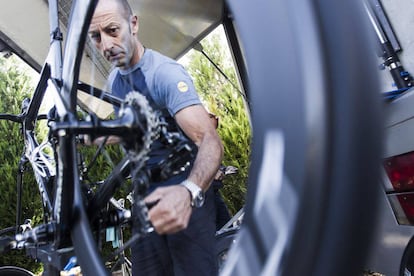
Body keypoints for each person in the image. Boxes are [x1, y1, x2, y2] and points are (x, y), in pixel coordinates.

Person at [88, 0, 224, 275]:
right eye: (95, 36)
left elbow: (209, 139)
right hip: (146, 195)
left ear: (134, 24)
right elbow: (136, 128)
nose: (105, 45)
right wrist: (91, 135)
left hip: (184, 188)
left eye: (112, 30)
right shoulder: (114, 79)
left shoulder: (164, 74)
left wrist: (189, 192)